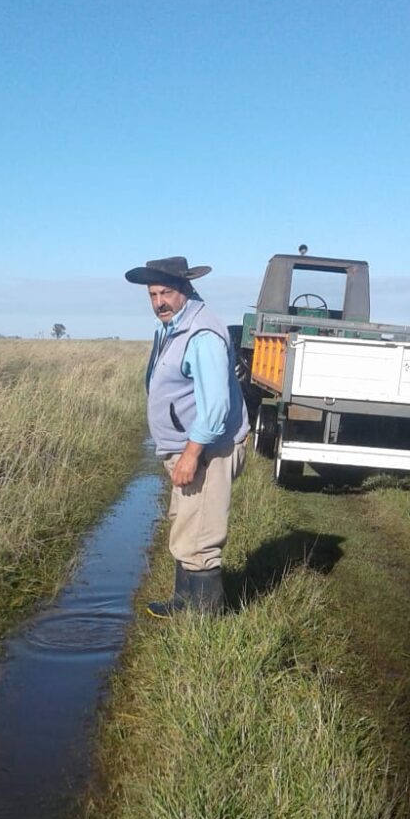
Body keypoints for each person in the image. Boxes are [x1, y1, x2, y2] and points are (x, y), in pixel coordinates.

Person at [124, 255, 249, 615]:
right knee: (184, 523)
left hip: (209, 450)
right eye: (152, 294)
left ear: (186, 290)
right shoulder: (176, 325)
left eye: (166, 292)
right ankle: (183, 602)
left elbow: (215, 408)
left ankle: (205, 627)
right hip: (188, 448)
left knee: (200, 537)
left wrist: (192, 455)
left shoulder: (202, 333)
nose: (159, 301)